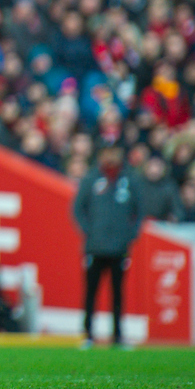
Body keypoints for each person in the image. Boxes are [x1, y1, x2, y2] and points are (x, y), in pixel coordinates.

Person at [73, 140, 145, 349]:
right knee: (91, 292)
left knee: (118, 293)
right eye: (107, 152)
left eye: (114, 152)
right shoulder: (91, 178)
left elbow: (139, 211)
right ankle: (88, 334)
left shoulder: (130, 179)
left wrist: (130, 234)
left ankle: (118, 335)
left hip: (119, 247)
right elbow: (78, 209)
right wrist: (90, 231)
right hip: (95, 246)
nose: (111, 157)